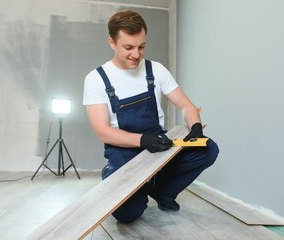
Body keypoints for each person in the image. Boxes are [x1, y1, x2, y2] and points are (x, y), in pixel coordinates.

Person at [83, 10, 219, 223]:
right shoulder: (96, 79)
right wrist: (142, 140)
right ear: (112, 42)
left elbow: (186, 105)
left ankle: (162, 191)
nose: (136, 54)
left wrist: (195, 127)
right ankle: (111, 176)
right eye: (128, 47)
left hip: (159, 144)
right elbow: (103, 132)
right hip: (124, 151)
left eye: (141, 46)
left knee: (208, 149)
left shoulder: (155, 70)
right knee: (128, 214)